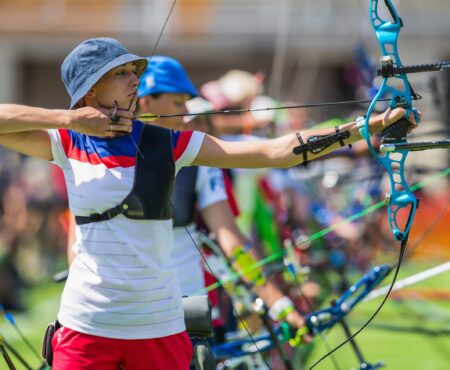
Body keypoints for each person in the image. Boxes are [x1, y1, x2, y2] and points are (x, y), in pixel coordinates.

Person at [0, 37, 418, 370]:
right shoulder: (65, 142)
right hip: (85, 325)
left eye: (135, 72)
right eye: (122, 73)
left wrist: (365, 128)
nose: (135, 80)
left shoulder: (169, 143)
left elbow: (273, 151)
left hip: (159, 326)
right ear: (90, 89)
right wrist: (68, 119)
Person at [136, 56, 306, 337]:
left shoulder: (198, 161)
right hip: (126, 312)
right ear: (145, 102)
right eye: (178, 104)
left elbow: (232, 239)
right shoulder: (103, 155)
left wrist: (279, 303)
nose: (184, 114)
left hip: (187, 310)